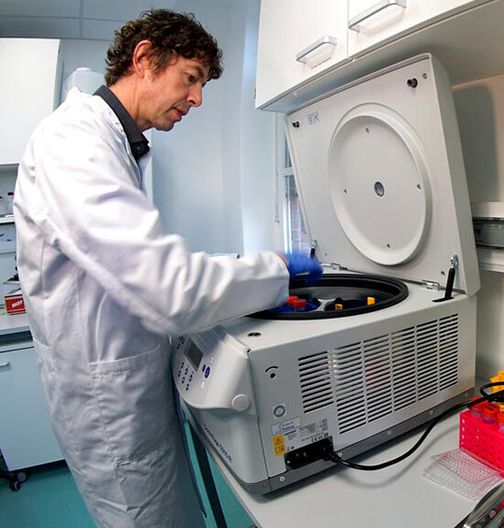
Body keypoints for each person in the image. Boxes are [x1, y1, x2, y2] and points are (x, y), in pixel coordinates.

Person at [13, 9, 320, 528]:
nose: (197, 99)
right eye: (191, 77)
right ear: (145, 58)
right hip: (110, 406)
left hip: (130, 382)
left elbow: (141, 262)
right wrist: (275, 272)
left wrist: (250, 275)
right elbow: (169, 288)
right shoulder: (74, 142)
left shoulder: (116, 142)